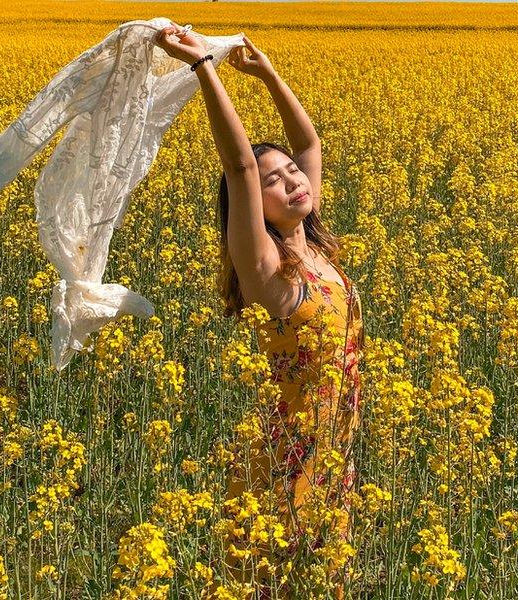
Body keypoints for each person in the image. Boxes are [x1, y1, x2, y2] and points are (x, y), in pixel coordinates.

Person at [155, 25, 365, 599]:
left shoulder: (314, 248)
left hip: (332, 455)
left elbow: (310, 144)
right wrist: (204, 69)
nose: (293, 180)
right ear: (255, 206)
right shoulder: (267, 272)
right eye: (275, 181)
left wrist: (268, 74)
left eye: (293, 174)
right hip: (282, 465)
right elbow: (241, 167)